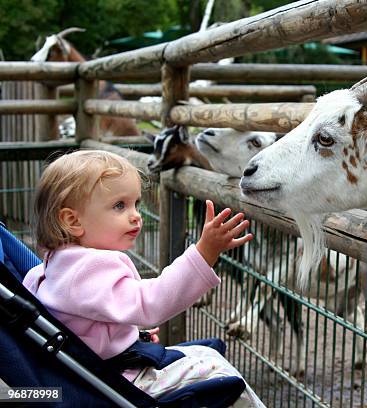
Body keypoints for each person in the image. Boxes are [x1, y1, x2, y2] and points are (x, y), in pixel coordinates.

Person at [23, 150, 264, 407]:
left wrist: (127, 335)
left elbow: (85, 325)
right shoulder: (88, 269)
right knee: (220, 372)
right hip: (119, 381)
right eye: (119, 205)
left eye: (136, 203)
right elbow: (150, 302)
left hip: (92, 372)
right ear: (73, 220)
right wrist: (204, 253)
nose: (136, 215)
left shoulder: (48, 268)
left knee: (205, 353)